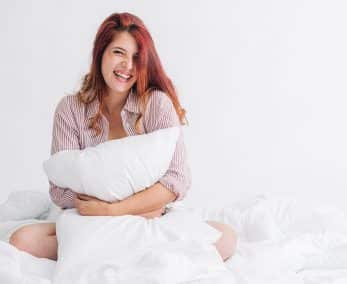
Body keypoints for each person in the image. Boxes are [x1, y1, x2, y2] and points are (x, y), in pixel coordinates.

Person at [8, 12, 237, 262]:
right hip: (89, 221)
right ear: (101, 53)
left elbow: (177, 180)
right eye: (119, 52)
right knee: (23, 240)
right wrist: (107, 211)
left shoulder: (156, 104)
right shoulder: (70, 109)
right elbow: (60, 191)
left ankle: (117, 252)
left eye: (137, 57)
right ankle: (135, 253)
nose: (128, 65)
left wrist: (114, 209)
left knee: (225, 238)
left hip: (148, 219)